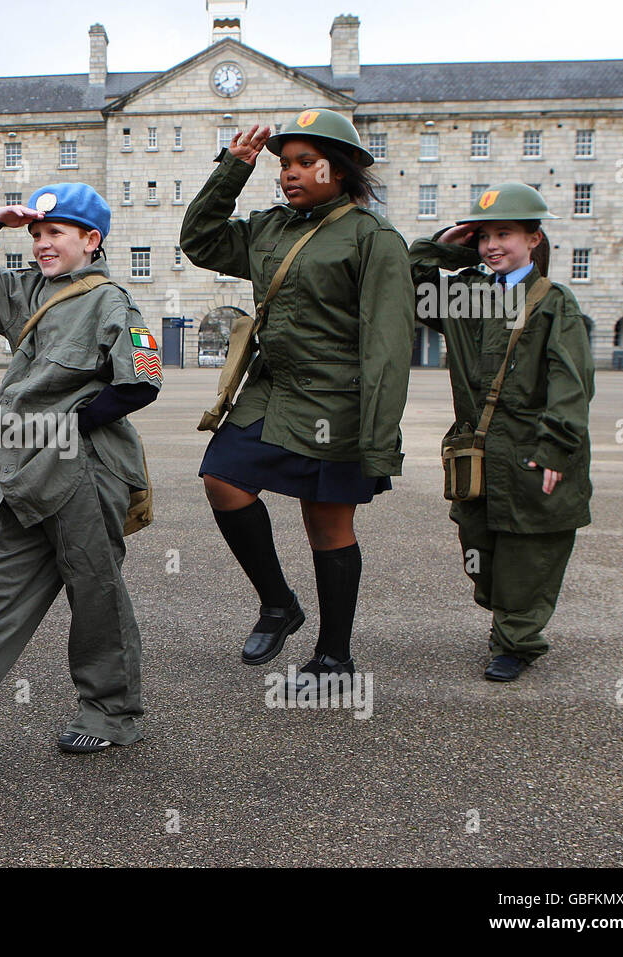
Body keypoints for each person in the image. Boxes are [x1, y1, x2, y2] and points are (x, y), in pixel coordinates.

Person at [0, 183, 160, 753]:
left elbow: (144, 375)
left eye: (57, 233)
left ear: (91, 240)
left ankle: (110, 713)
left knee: (95, 591)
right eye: (38, 235)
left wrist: (74, 422)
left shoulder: (112, 299)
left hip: (86, 470)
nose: (43, 245)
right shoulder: (28, 292)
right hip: (28, 468)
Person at [180, 108, 414, 698]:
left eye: (305, 162)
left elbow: (387, 346)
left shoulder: (373, 238)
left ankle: (335, 655)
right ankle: (279, 604)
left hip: (337, 400)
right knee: (222, 479)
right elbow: (201, 241)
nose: (289, 173)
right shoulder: (269, 227)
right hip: (271, 387)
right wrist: (234, 168)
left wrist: (379, 440)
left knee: (326, 523)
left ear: (341, 169)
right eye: (284, 163)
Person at [409, 183, 594, 681]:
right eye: (485, 236)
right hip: (479, 451)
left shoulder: (554, 303)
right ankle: (505, 619)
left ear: (534, 239)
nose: (493, 245)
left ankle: (517, 641)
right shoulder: (467, 295)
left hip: (533, 450)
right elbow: (407, 278)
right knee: (480, 552)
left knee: (530, 551)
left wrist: (556, 448)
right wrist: (449, 244)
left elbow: (571, 382)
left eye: (505, 234)